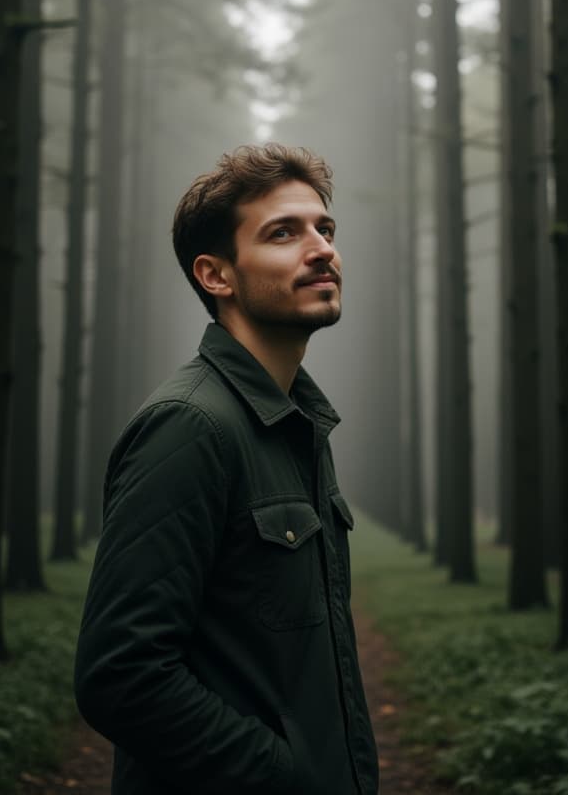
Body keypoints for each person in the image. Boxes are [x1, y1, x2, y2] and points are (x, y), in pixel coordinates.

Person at [74, 143, 379, 795]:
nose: (321, 249)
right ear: (217, 275)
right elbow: (122, 676)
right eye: (283, 233)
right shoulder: (191, 427)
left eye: (325, 229)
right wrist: (284, 778)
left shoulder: (298, 424)